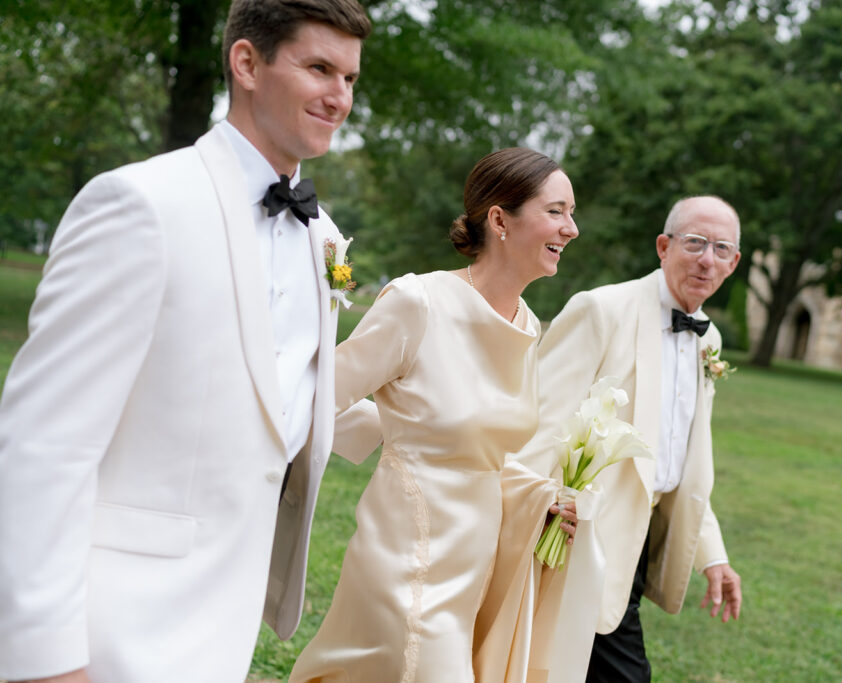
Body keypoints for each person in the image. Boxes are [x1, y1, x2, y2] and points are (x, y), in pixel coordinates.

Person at [0, 2, 380, 681]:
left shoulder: (326, 239)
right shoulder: (140, 204)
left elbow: (283, 397)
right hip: (110, 628)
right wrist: (47, 657)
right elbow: (43, 446)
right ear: (247, 63)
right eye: (319, 68)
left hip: (226, 627)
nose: (340, 96)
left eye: (350, 78)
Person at [288, 147, 581, 683]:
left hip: (475, 565)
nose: (573, 228)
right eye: (557, 211)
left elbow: (484, 455)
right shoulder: (417, 301)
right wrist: (394, 435)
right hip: (404, 558)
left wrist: (542, 502)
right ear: (499, 219)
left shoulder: (529, 325)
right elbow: (320, 396)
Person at [515, 195, 745, 682]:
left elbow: (680, 457)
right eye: (695, 242)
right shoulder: (602, 309)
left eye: (721, 248)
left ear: (734, 262)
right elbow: (539, 424)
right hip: (574, 540)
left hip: (639, 545)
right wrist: (530, 513)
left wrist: (714, 555)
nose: (707, 258)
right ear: (663, 246)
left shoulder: (710, 341)